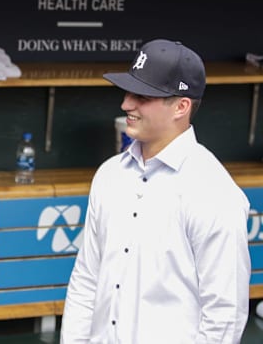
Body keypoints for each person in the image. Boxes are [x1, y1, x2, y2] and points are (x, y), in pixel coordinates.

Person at [60, 39, 251, 343]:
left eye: (143, 96)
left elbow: (224, 314)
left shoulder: (214, 192)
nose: (126, 104)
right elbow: (86, 279)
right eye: (128, 92)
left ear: (181, 106)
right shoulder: (109, 175)